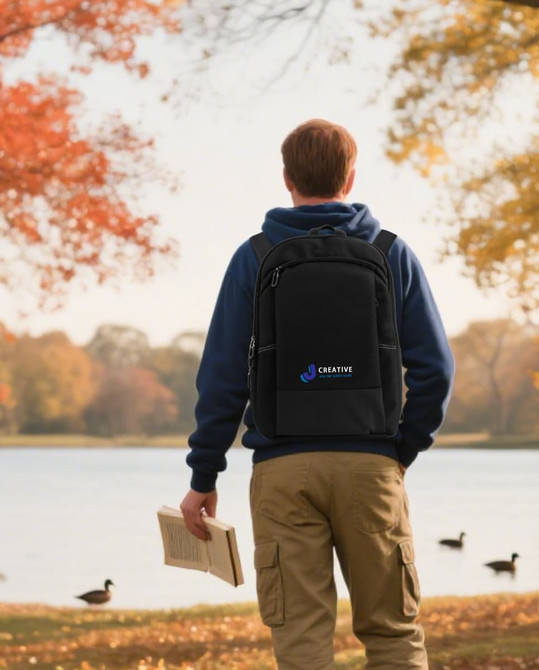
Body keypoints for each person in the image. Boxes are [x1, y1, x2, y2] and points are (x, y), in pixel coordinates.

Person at [181, 119, 454, 670]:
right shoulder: (390, 251)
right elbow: (436, 370)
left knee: (302, 639)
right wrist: (400, 449)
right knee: (394, 632)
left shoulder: (254, 257)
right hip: (371, 467)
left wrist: (203, 475)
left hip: (284, 471)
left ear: (286, 178)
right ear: (351, 176)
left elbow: (222, 379)